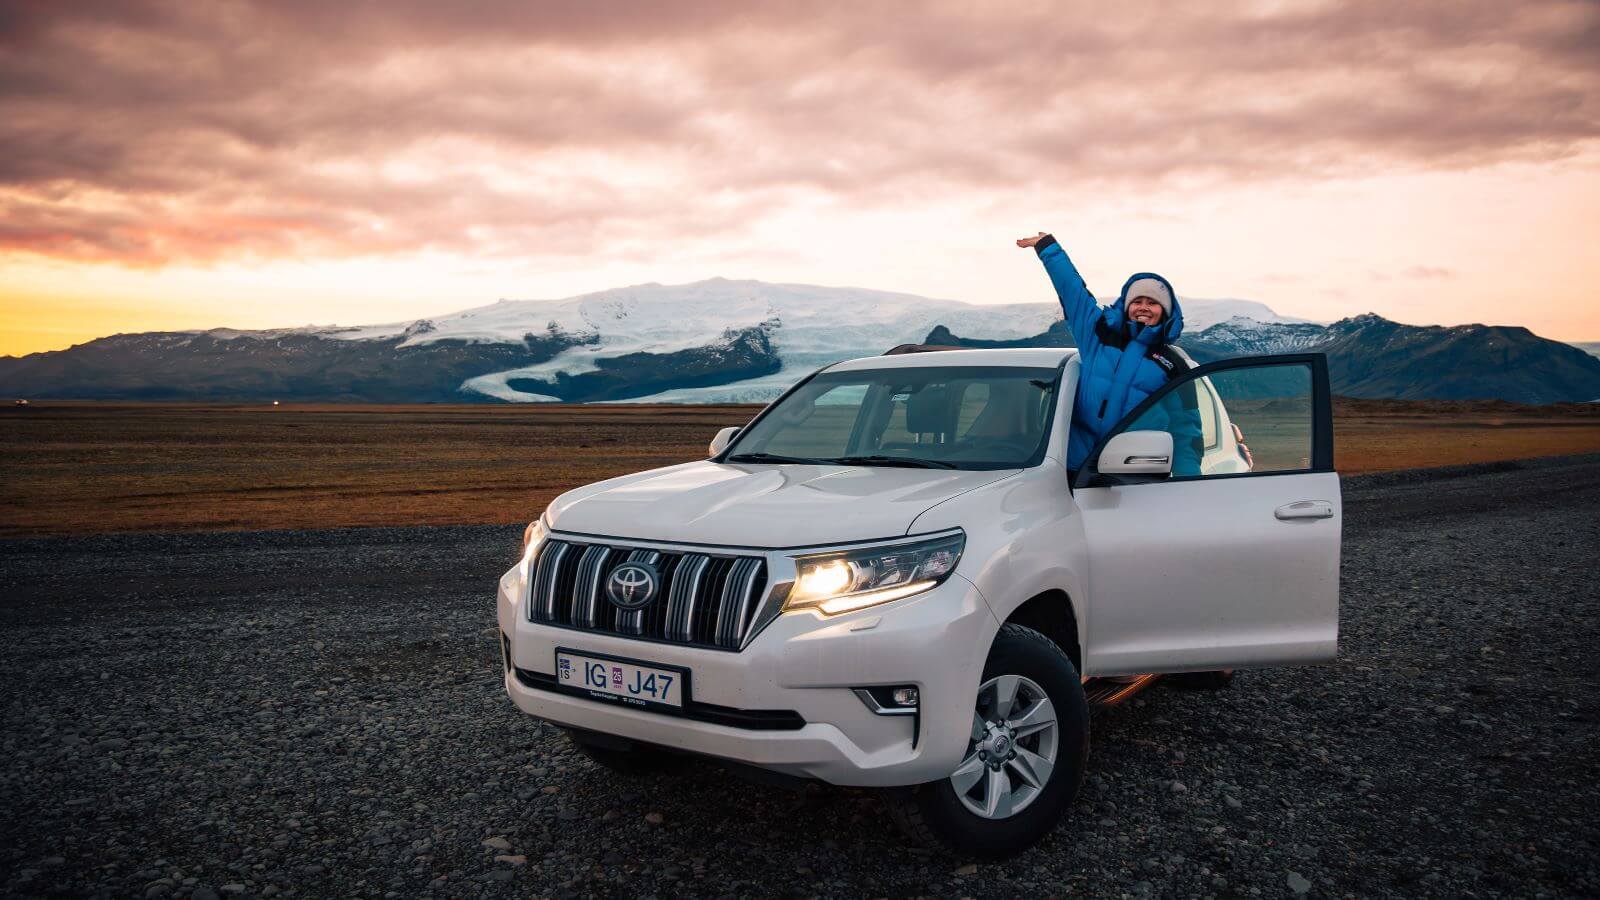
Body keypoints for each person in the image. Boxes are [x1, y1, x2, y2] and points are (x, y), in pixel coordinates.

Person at [1016, 232, 1202, 478]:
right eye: (1137, 301)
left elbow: (1185, 431)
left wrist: (1191, 483)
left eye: (1152, 303)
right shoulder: (1099, 335)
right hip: (1075, 470)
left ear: (1165, 311)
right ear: (1127, 305)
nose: (1143, 307)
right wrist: (1048, 248)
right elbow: (1073, 293)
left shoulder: (1173, 366)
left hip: (1136, 474)